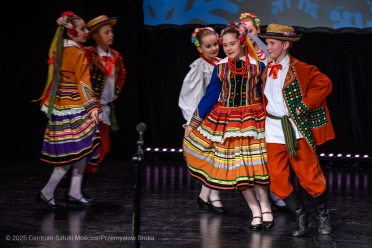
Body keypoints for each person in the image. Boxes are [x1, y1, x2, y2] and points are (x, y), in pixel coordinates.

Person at [183, 21, 274, 230]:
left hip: (254, 120)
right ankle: (256, 212)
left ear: (242, 42)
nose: (229, 48)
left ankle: (267, 208)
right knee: (240, 171)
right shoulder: (221, 67)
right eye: (225, 45)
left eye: (232, 43)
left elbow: (268, 94)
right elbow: (210, 96)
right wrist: (194, 122)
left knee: (258, 169)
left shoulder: (258, 66)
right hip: (227, 123)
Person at [258, 23, 335, 236]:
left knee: (310, 176)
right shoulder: (266, 70)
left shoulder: (300, 68)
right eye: (267, 42)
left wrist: (305, 105)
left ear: (285, 45)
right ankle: (302, 214)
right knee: (278, 182)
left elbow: (324, 83)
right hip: (273, 129)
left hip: (295, 128)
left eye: (272, 43)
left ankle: (322, 216)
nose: (268, 47)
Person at [35, 11, 101, 209]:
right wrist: (92, 107)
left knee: (81, 148)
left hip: (62, 104)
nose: (86, 31)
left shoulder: (61, 50)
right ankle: (47, 191)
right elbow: (83, 81)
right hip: (74, 105)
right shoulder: (76, 52)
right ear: (72, 32)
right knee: (73, 150)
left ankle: (74, 191)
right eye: (82, 29)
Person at [239, 12, 288, 211]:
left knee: (273, 155)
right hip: (251, 110)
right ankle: (262, 197)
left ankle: (278, 192)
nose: (248, 35)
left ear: (257, 30)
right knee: (255, 156)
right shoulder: (242, 56)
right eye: (244, 32)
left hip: (268, 109)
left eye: (250, 31)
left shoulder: (269, 52)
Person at [178, 27, 224, 214]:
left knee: (218, 157)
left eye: (215, 44)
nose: (213, 48)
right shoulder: (199, 68)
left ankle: (207, 195)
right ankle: (211, 196)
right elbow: (190, 97)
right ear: (200, 48)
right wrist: (193, 121)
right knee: (211, 157)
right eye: (208, 46)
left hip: (222, 116)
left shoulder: (222, 63)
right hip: (205, 118)